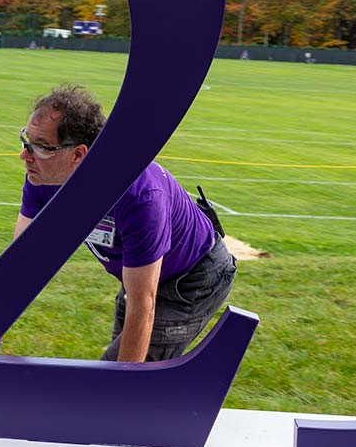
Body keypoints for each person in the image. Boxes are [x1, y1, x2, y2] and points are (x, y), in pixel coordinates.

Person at [14, 85, 235, 362]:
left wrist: (119, 388)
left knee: (117, 379)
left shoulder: (140, 197)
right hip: (142, 274)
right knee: (121, 369)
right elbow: (18, 263)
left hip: (193, 277)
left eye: (41, 147)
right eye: (26, 141)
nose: (26, 155)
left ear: (78, 155)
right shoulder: (43, 177)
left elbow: (143, 304)